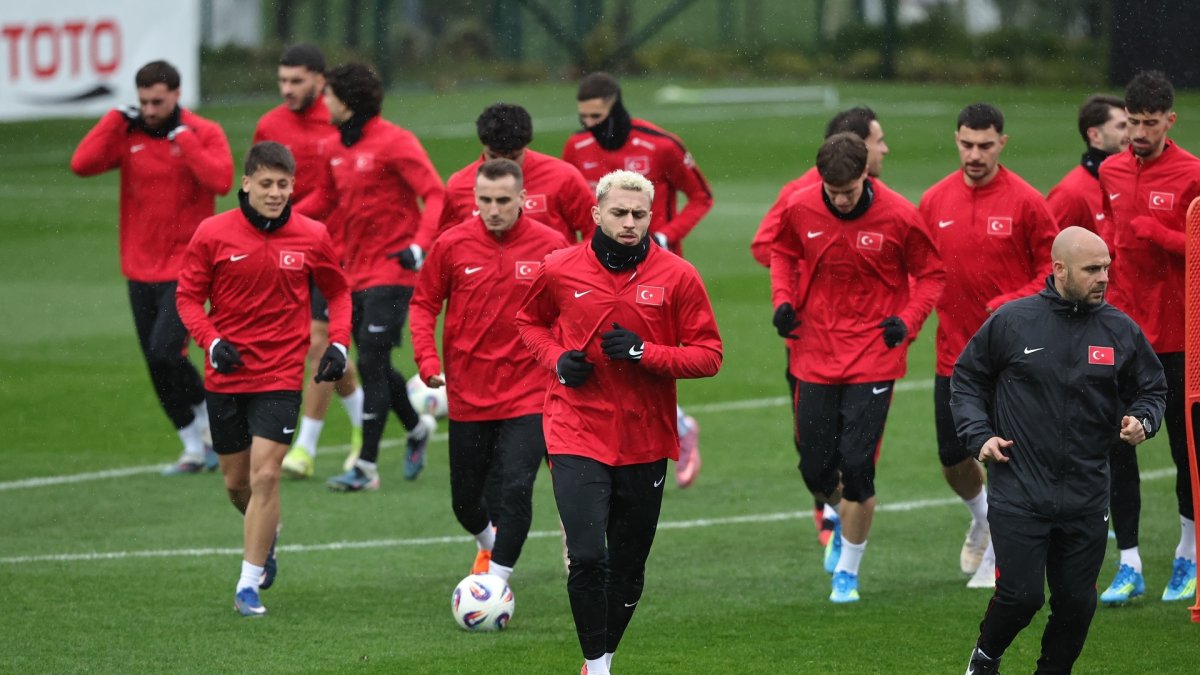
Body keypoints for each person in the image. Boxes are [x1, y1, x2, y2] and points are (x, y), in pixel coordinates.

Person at [516, 170, 722, 675]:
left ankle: (601, 657)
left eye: (639, 214)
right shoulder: (559, 268)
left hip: (645, 438)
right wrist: (558, 360)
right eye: (619, 213)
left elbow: (710, 356)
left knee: (628, 570)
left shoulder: (678, 276)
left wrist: (644, 352)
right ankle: (598, 667)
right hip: (574, 429)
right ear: (596, 214)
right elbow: (529, 323)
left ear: (651, 216)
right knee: (587, 557)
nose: (629, 223)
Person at [952, 226, 1166, 675]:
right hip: (1019, 490)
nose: (1103, 278)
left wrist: (1142, 420)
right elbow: (968, 379)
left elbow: (1151, 388)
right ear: (1060, 270)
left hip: (1086, 495)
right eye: (1092, 269)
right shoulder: (1013, 322)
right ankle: (985, 658)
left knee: (1076, 604)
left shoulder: (1119, 330)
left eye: (1107, 267)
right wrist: (979, 435)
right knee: (1022, 595)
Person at [176, 142, 352, 616]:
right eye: (267, 184)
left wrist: (338, 343)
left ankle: (248, 583)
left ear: (293, 186)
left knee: (267, 474)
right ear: (247, 183)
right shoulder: (212, 234)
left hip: (279, 374)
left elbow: (338, 292)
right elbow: (188, 299)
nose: (276, 193)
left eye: (284, 185)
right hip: (226, 374)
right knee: (238, 484)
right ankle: (266, 535)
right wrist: (211, 342)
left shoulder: (312, 235)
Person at [770, 133, 943, 603]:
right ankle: (840, 515)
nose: (840, 200)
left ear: (866, 176)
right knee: (814, 468)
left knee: (858, 465)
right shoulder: (801, 206)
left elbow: (931, 275)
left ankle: (848, 567)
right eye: (832, 191)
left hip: (873, 353)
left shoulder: (901, 215)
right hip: (816, 351)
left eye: (848, 191)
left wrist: (906, 323)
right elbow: (782, 253)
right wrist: (783, 301)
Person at [917, 103, 1059, 588]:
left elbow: (1052, 270)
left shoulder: (1026, 202)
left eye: (984, 145)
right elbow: (917, 268)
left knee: (1005, 457)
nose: (974, 154)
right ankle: (983, 517)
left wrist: (1011, 301)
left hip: (1011, 359)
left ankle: (1000, 552)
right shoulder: (934, 201)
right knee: (952, 458)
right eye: (966, 144)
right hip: (952, 354)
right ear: (956, 140)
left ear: (1002, 142)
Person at [410, 158, 570, 581]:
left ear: (522, 198)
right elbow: (424, 304)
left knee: (516, 487)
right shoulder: (452, 244)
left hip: (530, 391)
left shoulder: (552, 245)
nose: (493, 208)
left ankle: (496, 581)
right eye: (485, 200)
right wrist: (427, 359)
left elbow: (573, 309)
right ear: (474, 199)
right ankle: (488, 544)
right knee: (465, 501)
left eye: (503, 200)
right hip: (468, 393)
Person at [70, 60, 232, 475]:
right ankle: (194, 446)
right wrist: (112, 120)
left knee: (166, 352)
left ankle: (207, 417)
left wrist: (186, 141)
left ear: (177, 95)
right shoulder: (129, 134)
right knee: (155, 362)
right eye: (143, 102)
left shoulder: (203, 132)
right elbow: (82, 164)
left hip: (188, 268)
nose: (150, 110)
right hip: (139, 268)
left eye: (158, 101)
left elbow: (221, 180)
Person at [563, 72, 712, 489]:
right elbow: (577, 207)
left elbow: (701, 196)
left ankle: (674, 429)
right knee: (600, 361)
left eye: (596, 115)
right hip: (596, 274)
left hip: (655, 274)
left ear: (614, 105)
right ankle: (608, 448)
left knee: (648, 357)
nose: (589, 124)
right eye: (583, 116)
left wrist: (668, 234)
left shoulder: (662, 144)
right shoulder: (575, 147)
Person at [751, 106, 891, 549]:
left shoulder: (884, 201)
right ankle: (829, 510)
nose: (884, 148)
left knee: (858, 445)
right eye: (877, 140)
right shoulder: (800, 194)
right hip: (809, 340)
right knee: (813, 444)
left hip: (866, 345)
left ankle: (845, 524)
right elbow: (767, 247)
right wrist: (803, 289)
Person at [307, 63, 444, 491]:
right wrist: (276, 217)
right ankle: (417, 427)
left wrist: (420, 245)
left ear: (346, 100)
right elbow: (326, 199)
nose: (322, 102)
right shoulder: (333, 146)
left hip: (394, 268)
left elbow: (434, 193)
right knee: (376, 362)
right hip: (352, 270)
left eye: (327, 94)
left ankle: (365, 467)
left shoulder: (395, 141)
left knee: (367, 358)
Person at [1098, 70, 1200, 603]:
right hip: (1125, 334)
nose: (1139, 132)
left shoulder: (1192, 173)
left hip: (1181, 336)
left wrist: (1158, 234)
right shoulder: (1112, 171)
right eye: (1132, 122)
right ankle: (1130, 563)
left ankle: (1188, 554)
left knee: (1187, 453)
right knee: (1118, 445)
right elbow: (1114, 238)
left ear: (1170, 121)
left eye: (1149, 123)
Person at [252, 43, 364, 480]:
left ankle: (305, 447)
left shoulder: (338, 121)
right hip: (283, 250)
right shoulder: (269, 124)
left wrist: (290, 216)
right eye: (282, 81)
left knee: (320, 342)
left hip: (331, 248)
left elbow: (336, 190)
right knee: (325, 351)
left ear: (321, 81)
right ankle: (364, 426)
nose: (287, 89)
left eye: (296, 81)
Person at [438, 102, 594, 243]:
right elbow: (445, 244)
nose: (503, 165)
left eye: (513, 157)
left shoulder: (563, 177)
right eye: (493, 157)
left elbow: (596, 231)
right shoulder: (458, 186)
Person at [1046, 94, 1128, 234]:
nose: (1133, 134)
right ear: (1095, 135)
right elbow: (1049, 250)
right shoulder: (1070, 194)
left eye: (1131, 124)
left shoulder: (1135, 181)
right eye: (1121, 126)